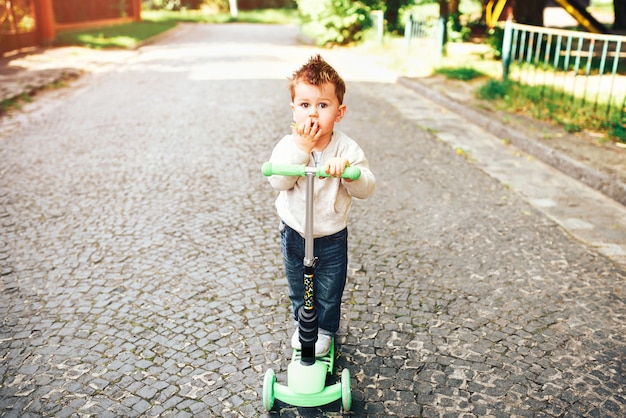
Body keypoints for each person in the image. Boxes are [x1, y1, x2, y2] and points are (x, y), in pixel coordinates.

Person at [266, 54, 376, 356]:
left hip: (331, 234)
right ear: (293, 109)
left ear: (339, 112)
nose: (313, 114)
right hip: (295, 231)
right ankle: (303, 326)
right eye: (305, 105)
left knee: (328, 288)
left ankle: (325, 328)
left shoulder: (347, 148)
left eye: (322, 105)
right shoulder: (289, 145)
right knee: (298, 285)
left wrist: (348, 173)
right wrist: (301, 150)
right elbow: (278, 180)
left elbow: (367, 186)